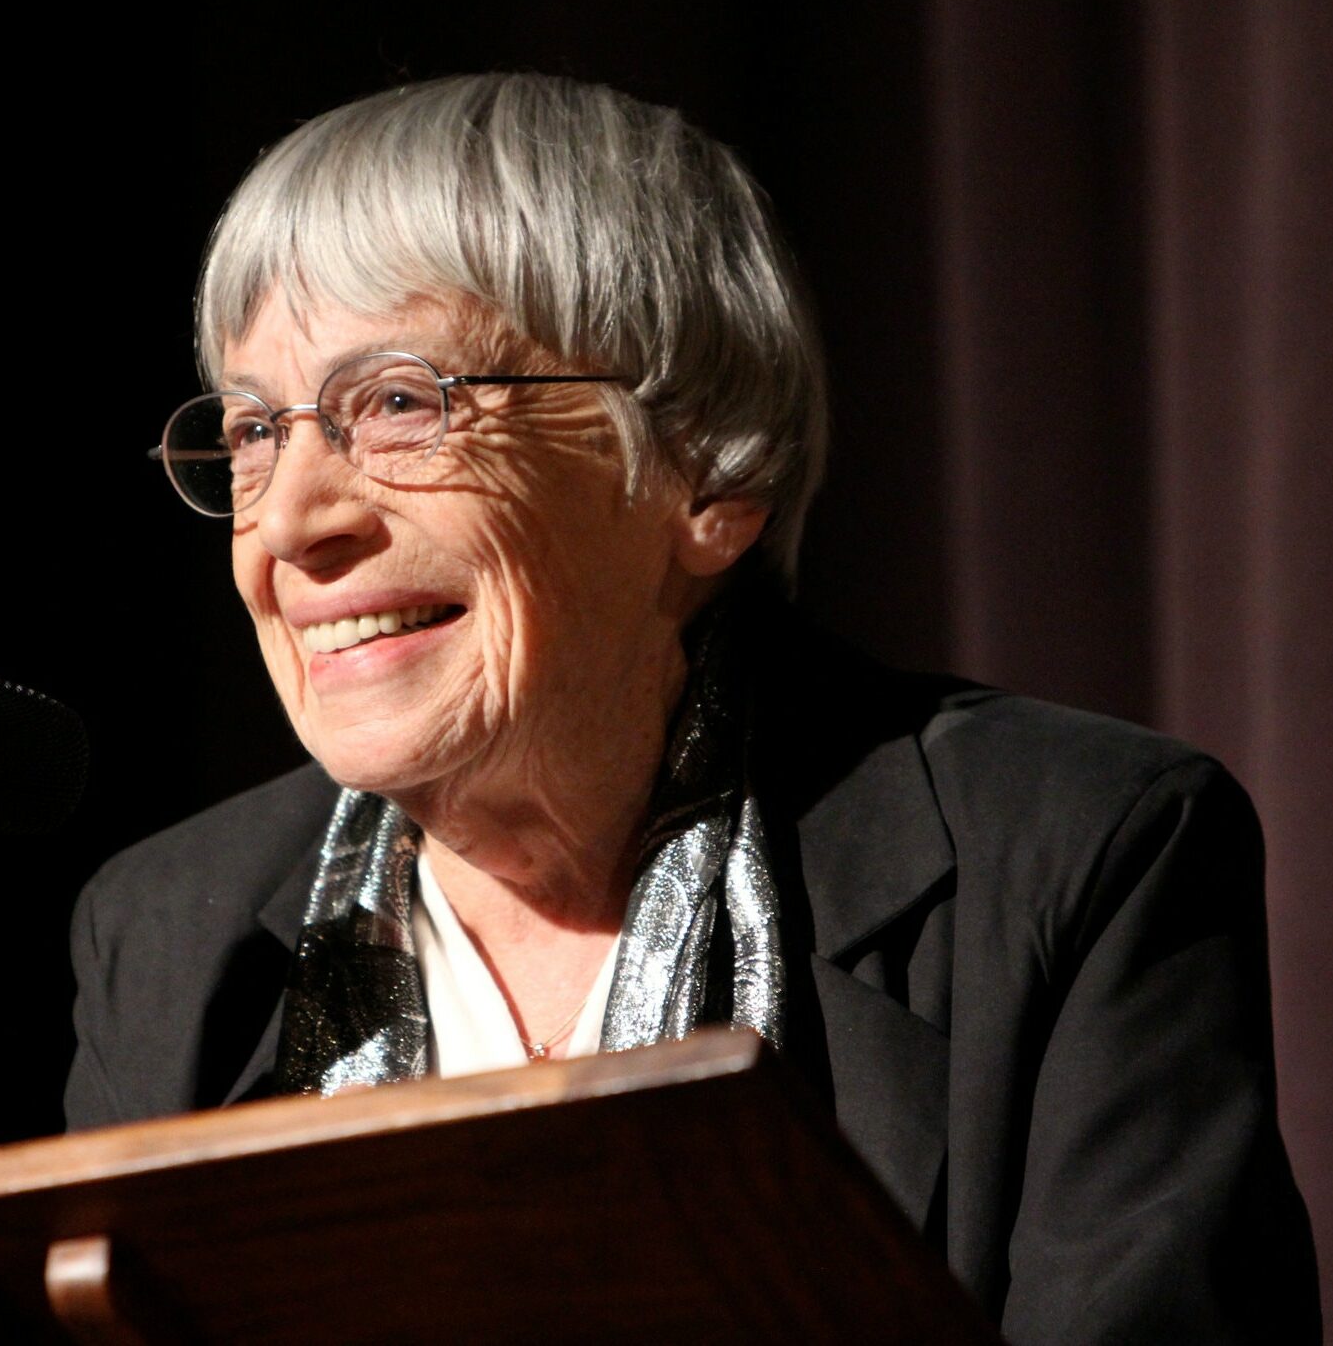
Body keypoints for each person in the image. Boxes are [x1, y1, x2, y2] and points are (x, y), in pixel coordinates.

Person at [67, 74, 1319, 1341]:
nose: (288, 522)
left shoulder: (1066, 857)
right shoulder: (170, 934)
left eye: (398, 404)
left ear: (705, 468)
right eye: (252, 432)